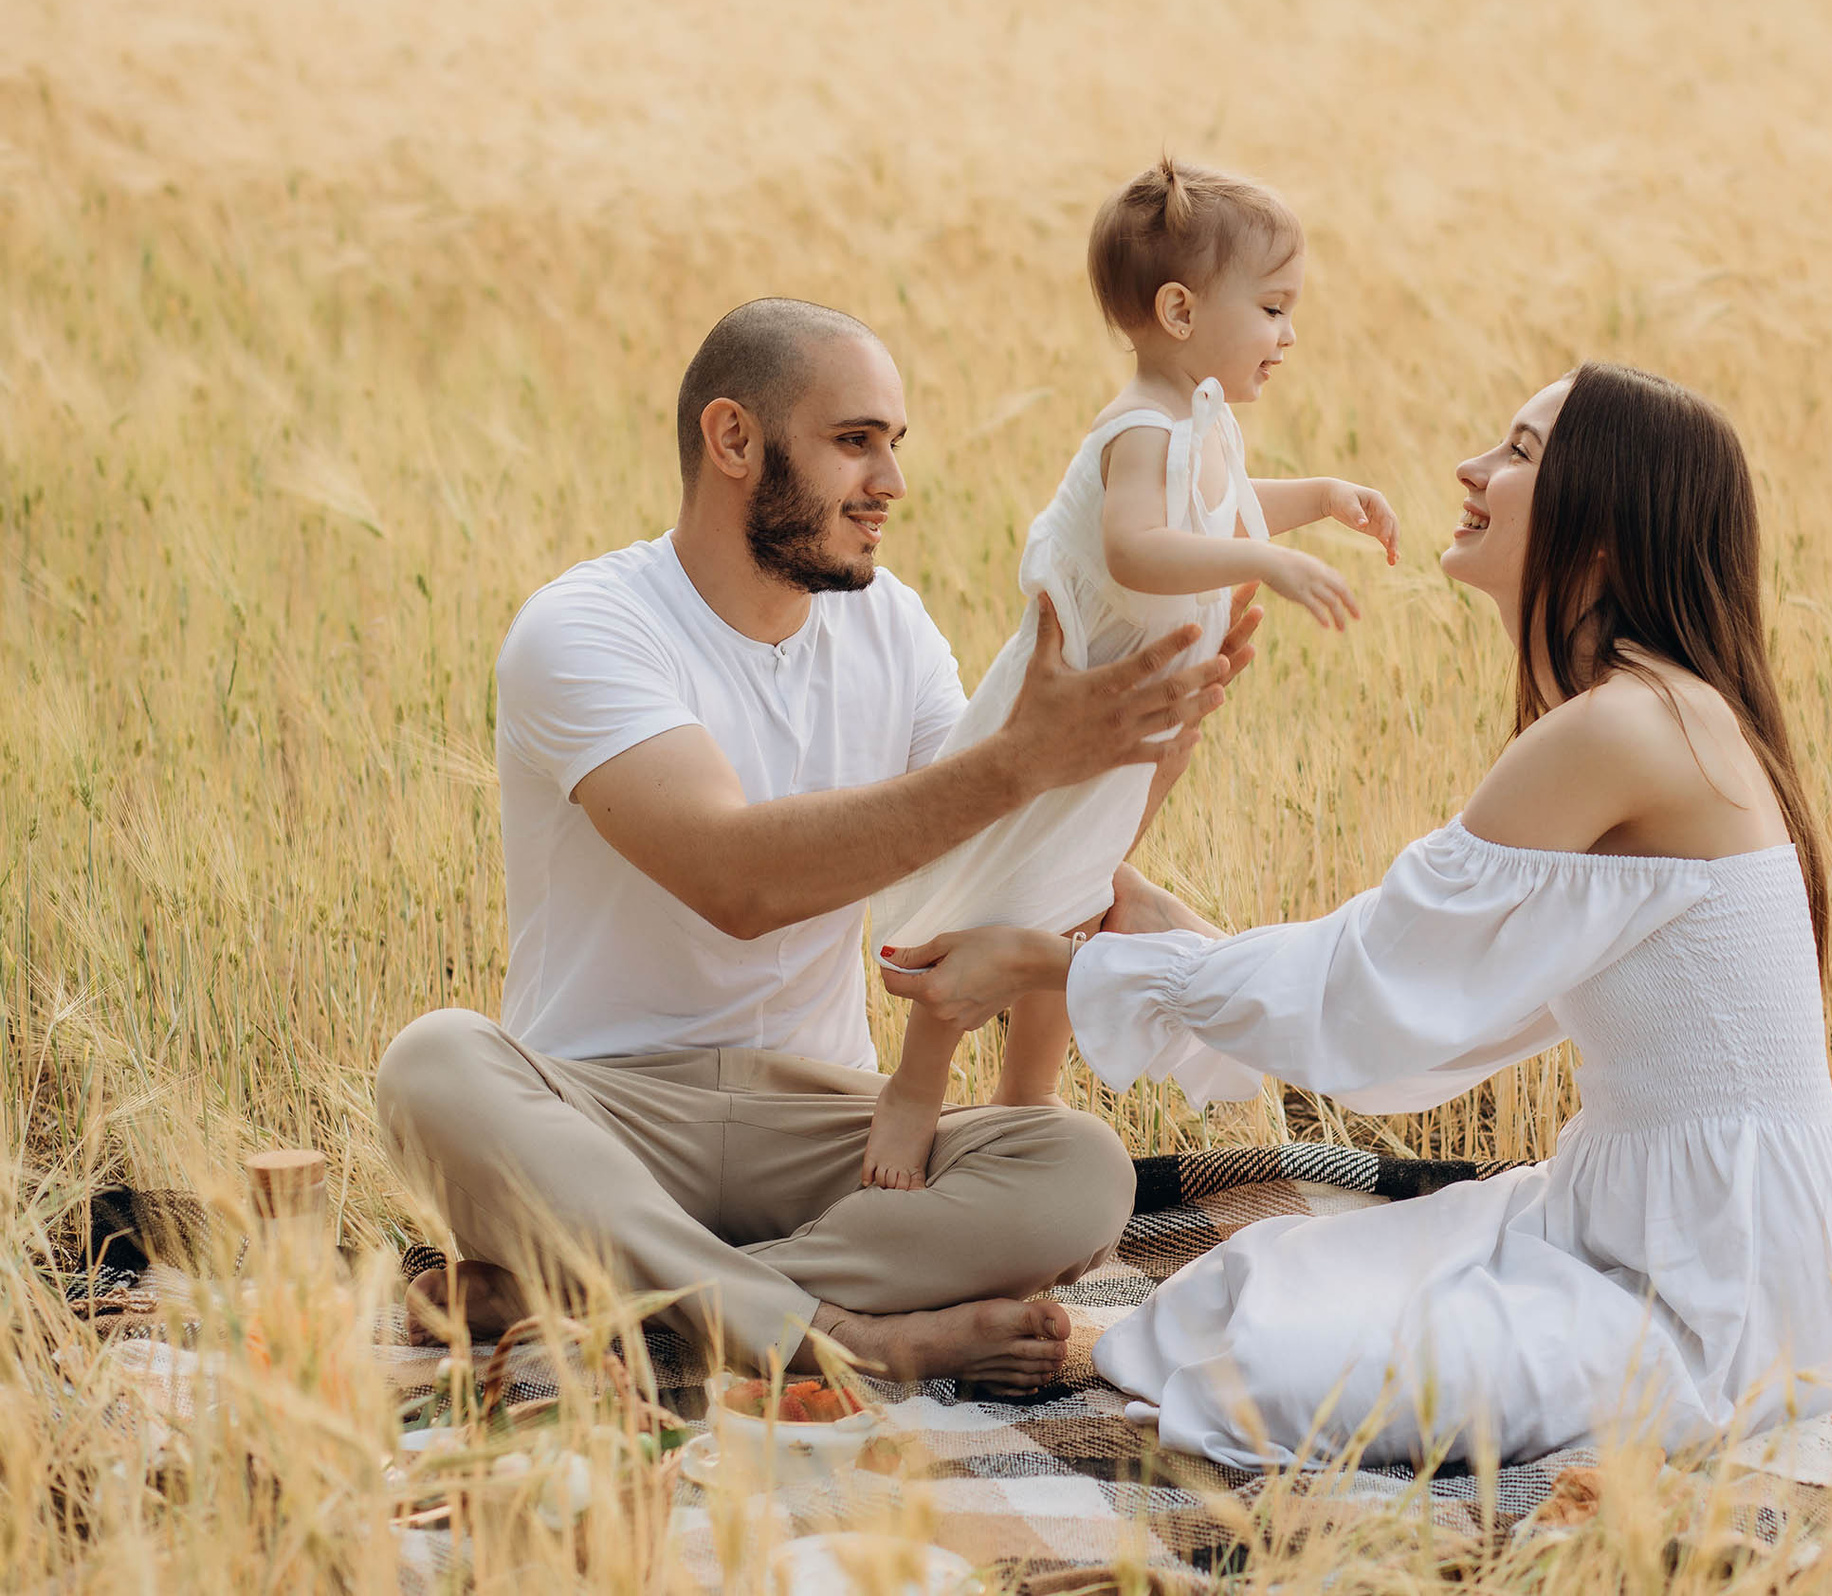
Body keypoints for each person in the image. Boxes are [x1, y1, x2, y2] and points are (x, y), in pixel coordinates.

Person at [875, 363, 1832, 1463]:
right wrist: (1156, 930)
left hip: (1717, 1286)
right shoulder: (1652, 715)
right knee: (1234, 1291)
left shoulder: (1625, 729)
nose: (1471, 467)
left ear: (1603, 529)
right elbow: (1417, 1030)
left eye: (1519, 452)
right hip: (1642, 1222)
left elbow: (1366, 993)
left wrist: (1055, 965)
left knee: (1259, 1368)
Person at [373, 298, 1261, 1389]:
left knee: (1079, 1169)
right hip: (600, 1116)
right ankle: (848, 1334)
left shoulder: (891, 624)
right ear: (733, 439)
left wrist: (1141, 753)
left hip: (825, 1126)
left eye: (894, 443)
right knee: (433, 1065)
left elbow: (993, 865)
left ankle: (609, 1292)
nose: (891, 480)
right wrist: (1023, 761)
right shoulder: (586, 628)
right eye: (854, 441)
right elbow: (735, 879)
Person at [861, 158, 1399, 1191]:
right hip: (1063, 716)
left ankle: (1026, 1094)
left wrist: (1322, 497)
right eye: (1273, 308)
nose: (1289, 333)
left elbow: (1224, 502)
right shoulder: (1140, 429)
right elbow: (1137, 549)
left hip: (1125, 730)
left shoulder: (1199, 421)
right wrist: (1266, 560)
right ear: (1181, 310)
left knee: (1074, 899)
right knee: (1000, 889)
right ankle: (915, 1089)